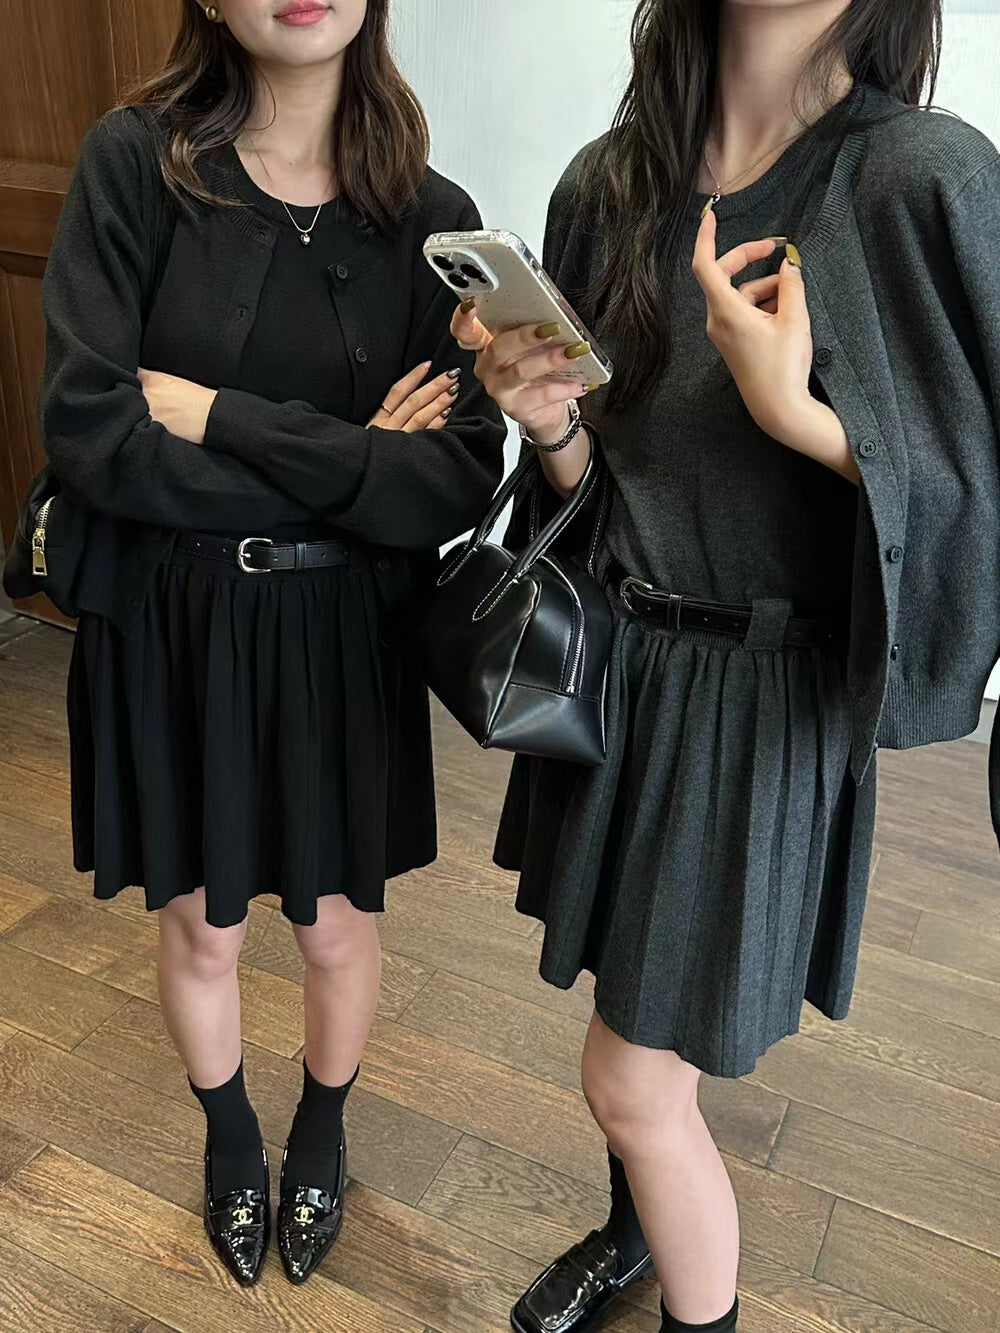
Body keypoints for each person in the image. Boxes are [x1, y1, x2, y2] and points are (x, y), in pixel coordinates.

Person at [454, 1, 1000, 1329]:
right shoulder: (609, 182)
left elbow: (978, 501)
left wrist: (804, 420)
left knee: (633, 1077)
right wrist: (550, 427)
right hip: (621, 676)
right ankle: (631, 1233)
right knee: (632, 996)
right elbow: (604, 494)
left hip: (759, 706)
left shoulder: (921, 177)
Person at [41, 0, 505, 1289]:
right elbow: (93, 435)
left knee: (336, 928)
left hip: (345, 637)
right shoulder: (133, 166)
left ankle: (324, 1129)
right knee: (202, 927)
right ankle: (233, 1137)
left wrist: (219, 419)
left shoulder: (435, 220)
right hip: (173, 623)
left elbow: (457, 476)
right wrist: (354, 468)